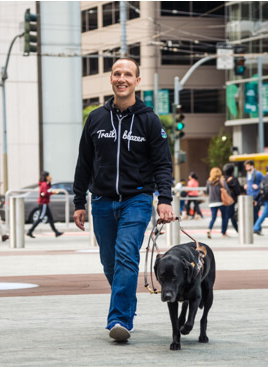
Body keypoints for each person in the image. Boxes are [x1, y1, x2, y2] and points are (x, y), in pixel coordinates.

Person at [72, 57, 174, 343]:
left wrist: (164, 198)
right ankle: (127, 304)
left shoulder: (150, 120)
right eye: (117, 73)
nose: (122, 78)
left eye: (128, 74)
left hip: (137, 199)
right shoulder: (95, 118)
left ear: (137, 81)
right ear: (111, 79)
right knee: (109, 263)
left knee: (126, 255)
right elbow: (84, 162)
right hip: (102, 201)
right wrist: (79, 201)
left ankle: (119, 319)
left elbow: (163, 164)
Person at [26, 171, 64, 238]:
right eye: (49, 176)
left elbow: (47, 189)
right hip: (43, 203)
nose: (50, 177)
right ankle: (30, 231)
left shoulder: (44, 184)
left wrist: (49, 182)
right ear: (46, 177)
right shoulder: (44, 184)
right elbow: (44, 193)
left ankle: (56, 232)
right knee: (40, 218)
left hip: (44, 203)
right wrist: (53, 193)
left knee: (50, 218)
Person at [205, 167, 230, 238]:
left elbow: (207, 192)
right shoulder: (221, 181)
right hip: (221, 202)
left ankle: (209, 229)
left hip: (212, 202)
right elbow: (227, 190)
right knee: (224, 217)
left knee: (213, 217)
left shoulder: (208, 181)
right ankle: (223, 233)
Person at [223, 164, 242, 232]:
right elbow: (238, 191)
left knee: (227, 215)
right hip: (231, 200)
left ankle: (236, 230)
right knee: (230, 215)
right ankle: (225, 231)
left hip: (223, 200)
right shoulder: (233, 180)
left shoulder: (222, 179)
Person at [244, 160, 264, 224]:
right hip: (249, 195)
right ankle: (255, 227)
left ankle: (257, 227)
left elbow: (265, 183)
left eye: (247, 166)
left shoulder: (258, 174)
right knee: (251, 213)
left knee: (255, 213)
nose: (246, 168)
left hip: (256, 196)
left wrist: (258, 186)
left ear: (252, 166)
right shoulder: (248, 174)